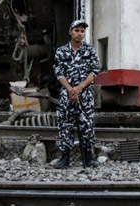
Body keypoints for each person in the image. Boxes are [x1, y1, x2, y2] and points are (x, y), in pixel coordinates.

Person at [52, 19, 100, 169]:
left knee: (87, 125)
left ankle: (88, 158)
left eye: (82, 31)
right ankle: (64, 159)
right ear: (70, 32)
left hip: (84, 93)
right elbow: (59, 73)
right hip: (67, 94)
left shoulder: (90, 50)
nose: (80, 34)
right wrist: (70, 90)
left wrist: (79, 88)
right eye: (77, 30)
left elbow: (94, 71)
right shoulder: (61, 51)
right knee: (65, 124)